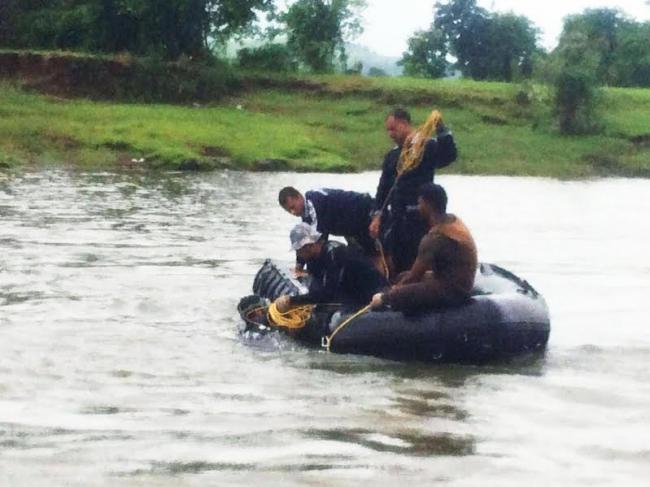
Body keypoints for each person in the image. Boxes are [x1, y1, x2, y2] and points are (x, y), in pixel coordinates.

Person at [369, 108, 457, 275]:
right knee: (397, 260)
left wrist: (441, 129)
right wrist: (376, 216)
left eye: (393, 129)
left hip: (419, 219)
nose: (390, 134)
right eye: (388, 130)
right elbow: (383, 190)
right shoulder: (393, 156)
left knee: (419, 259)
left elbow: (449, 155)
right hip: (397, 221)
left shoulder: (426, 147)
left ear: (404, 124)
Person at [370, 183, 477, 313]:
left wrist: (387, 295)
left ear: (428, 205)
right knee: (402, 276)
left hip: (454, 291)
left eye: (420, 204)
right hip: (456, 281)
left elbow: (414, 277)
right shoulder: (454, 221)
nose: (418, 208)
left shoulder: (435, 238)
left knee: (398, 293)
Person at [274, 223, 388, 313]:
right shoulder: (315, 260)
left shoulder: (335, 254)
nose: (298, 255)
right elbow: (319, 288)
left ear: (308, 246)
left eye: (299, 251)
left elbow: (327, 293)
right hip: (350, 291)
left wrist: (292, 301)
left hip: (370, 292)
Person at [278, 186, 378, 274]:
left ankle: (382, 284)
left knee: (374, 256)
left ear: (299, 197)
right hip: (350, 226)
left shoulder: (315, 203)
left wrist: (310, 270)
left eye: (293, 207)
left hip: (365, 212)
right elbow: (305, 239)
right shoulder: (307, 213)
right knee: (358, 257)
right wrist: (299, 266)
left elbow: (315, 240)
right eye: (289, 211)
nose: (293, 212)